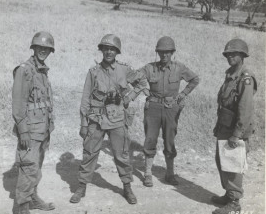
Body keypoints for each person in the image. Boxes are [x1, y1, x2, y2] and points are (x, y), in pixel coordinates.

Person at [70, 34, 147, 205]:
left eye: (112, 49)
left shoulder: (124, 70)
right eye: (106, 48)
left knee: (122, 154)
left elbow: (142, 81)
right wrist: (83, 123)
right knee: (89, 153)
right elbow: (85, 99)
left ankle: (127, 186)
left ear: (117, 52)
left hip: (118, 118)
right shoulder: (93, 72)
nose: (109, 51)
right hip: (96, 119)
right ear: (101, 50)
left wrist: (130, 97)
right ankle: (81, 186)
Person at [139, 36, 199, 187]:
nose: (164, 55)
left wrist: (183, 94)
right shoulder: (150, 67)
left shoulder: (179, 68)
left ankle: (170, 173)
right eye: (161, 52)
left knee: (169, 139)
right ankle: (147, 173)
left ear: (172, 52)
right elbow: (132, 76)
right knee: (150, 139)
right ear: (157, 52)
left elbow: (195, 79)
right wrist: (142, 88)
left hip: (171, 108)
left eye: (167, 52)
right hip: (152, 107)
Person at [211, 39, 257, 214]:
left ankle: (234, 202)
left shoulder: (245, 78)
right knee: (222, 161)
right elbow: (224, 103)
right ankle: (229, 194)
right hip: (224, 125)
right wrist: (219, 126)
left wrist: (236, 134)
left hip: (235, 129)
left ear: (242, 56)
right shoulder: (230, 74)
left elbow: (245, 109)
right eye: (228, 54)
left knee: (233, 163)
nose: (230, 56)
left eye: (234, 54)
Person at [12, 31, 55, 214]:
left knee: (36, 166)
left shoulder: (42, 70)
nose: (43, 51)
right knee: (28, 167)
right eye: (40, 47)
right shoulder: (25, 69)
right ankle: (21, 207)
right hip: (29, 130)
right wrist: (23, 131)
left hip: (42, 128)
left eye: (46, 48)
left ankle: (33, 198)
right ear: (34, 48)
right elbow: (18, 103)